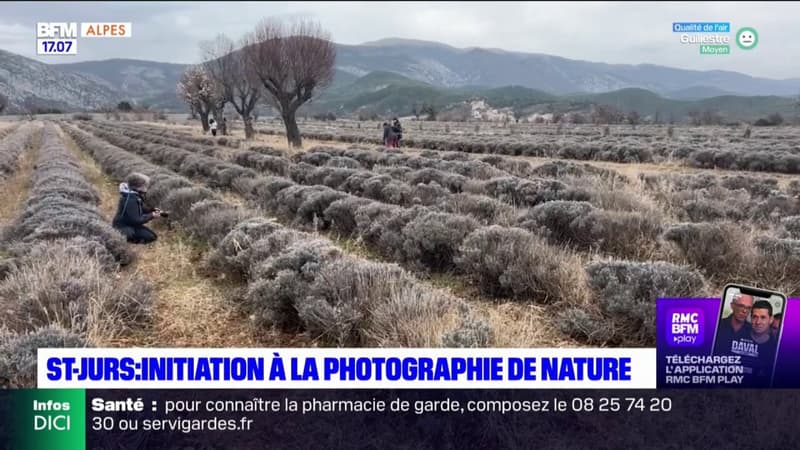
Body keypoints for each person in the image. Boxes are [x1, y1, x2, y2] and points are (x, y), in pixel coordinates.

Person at [735, 301, 779, 387]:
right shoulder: (736, 336)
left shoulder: (775, 349)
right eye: (755, 317)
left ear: (771, 319)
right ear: (750, 318)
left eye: (763, 317)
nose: (758, 322)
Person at [112, 173, 162, 244]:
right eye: (145, 186)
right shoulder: (130, 199)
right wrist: (152, 215)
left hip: (130, 224)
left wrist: (152, 210)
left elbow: (141, 209)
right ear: (138, 187)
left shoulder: (133, 195)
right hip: (123, 226)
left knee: (152, 236)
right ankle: (124, 241)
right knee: (137, 235)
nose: (147, 188)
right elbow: (136, 220)